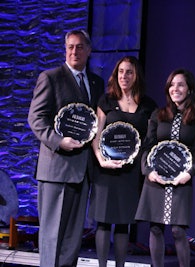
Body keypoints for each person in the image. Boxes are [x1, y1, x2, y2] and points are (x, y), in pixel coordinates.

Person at [27, 29, 104, 267]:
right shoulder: (51, 77)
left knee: (72, 239)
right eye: (70, 47)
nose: (74, 51)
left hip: (82, 172)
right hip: (56, 169)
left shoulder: (96, 82)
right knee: (52, 236)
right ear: (65, 49)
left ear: (89, 51)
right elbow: (36, 118)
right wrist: (59, 141)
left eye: (80, 47)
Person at [88, 56, 157, 267]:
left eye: (129, 72)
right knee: (103, 220)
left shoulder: (148, 105)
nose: (124, 76)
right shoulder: (105, 101)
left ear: (137, 76)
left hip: (131, 172)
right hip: (106, 170)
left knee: (123, 222)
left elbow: (150, 140)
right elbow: (96, 134)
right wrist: (101, 159)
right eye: (120, 72)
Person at [135, 69, 195, 267]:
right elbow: (147, 145)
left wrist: (189, 173)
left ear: (190, 89)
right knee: (156, 228)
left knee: (177, 230)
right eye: (172, 85)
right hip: (155, 179)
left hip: (181, 180)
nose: (176, 89)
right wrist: (149, 172)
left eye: (181, 84)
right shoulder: (158, 115)